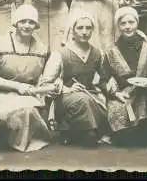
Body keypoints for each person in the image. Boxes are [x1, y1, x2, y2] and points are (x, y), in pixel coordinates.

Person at [0, 5, 54, 152]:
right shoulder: (0, 43)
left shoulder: (42, 48)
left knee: (28, 111)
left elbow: (48, 79)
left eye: (31, 22)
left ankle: (20, 138)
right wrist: (17, 87)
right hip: (0, 94)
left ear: (36, 25)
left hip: (29, 96)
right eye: (23, 21)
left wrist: (50, 87)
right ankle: (4, 134)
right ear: (16, 23)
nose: (27, 26)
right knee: (3, 117)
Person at [42, 11, 110, 147]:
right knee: (82, 100)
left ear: (92, 30)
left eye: (88, 28)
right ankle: (83, 131)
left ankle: (81, 131)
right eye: (80, 28)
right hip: (65, 97)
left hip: (91, 94)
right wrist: (66, 89)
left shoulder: (98, 53)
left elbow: (104, 78)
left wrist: (109, 87)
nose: (84, 32)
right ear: (72, 30)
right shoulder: (61, 54)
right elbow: (45, 83)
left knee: (98, 102)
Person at [102, 7, 147, 146]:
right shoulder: (111, 50)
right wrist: (115, 93)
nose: (127, 27)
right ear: (118, 26)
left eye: (131, 22)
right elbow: (104, 78)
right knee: (123, 137)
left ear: (137, 23)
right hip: (123, 94)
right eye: (123, 23)